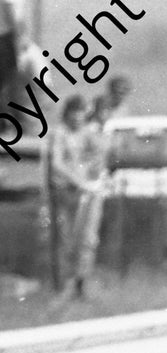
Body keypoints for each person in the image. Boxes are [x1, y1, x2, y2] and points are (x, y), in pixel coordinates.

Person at [48, 95, 108, 297]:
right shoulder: (59, 133)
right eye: (73, 116)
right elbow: (57, 163)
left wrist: (93, 170)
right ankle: (63, 284)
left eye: (81, 116)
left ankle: (81, 283)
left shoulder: (88, 133)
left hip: (87, 194)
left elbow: (100, 155)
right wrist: (77, 180)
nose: (77, 120)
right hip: (66, 192)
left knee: (88, 238)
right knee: (66, 239)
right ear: (66, 115)